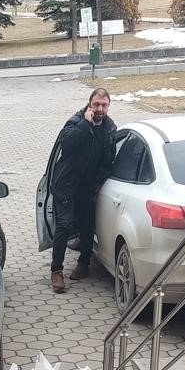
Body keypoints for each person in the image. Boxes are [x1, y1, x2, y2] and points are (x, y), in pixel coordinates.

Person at [49, 88, 117, 293]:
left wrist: (98, 184)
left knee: (87, 226)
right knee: (64, 224)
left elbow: (109, 160)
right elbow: (67, 145)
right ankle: (56, 271)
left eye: (104, 105)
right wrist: (84, 124)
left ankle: (84, 264)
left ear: (108, 106)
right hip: (66, 184)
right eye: (96, 104)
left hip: (88, 186)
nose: (100, 109)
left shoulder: (110, 128)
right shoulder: (75, 122)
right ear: (89, 104)